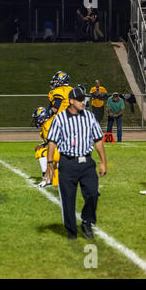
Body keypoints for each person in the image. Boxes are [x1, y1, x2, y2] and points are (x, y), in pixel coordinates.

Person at [46, 85, 107, 240]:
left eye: (84, 99)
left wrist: (103, 162)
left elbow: (98, 140)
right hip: (67, 163)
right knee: (68, 199)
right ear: (71, 101)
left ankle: (87, 221)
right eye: (80, 100)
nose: (83, 102)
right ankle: (71, 232)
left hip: (86, 162)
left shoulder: (89, 116)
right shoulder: (59, 118)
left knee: (93, 193)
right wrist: (49, 163)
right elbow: (52, 142)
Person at [31, 107, 59, 187]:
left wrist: (43, 145)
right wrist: (43, 144)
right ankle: (49, 179)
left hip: (64, 151)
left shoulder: (49, 124)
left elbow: (54, 141)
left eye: (36, 118)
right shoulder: (46, 124)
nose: (35, 121)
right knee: (56, 182)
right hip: (61, 150)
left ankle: (45, 179)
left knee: (41, 153)